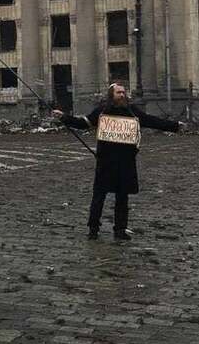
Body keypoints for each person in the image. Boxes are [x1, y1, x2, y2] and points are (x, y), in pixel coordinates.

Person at [52, 83, 181, 241]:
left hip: (126, 161)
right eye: (119, 92)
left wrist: (174, 126)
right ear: (111, 95)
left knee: (122, 197)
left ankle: (120, 230)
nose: (122, 95)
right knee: (99, 195)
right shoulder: (102, 111)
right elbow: (83, 123)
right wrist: (64, 117)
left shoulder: (132, 111)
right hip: (106, 160)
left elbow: (151, 121)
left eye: (123, 92)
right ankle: (93, 228)